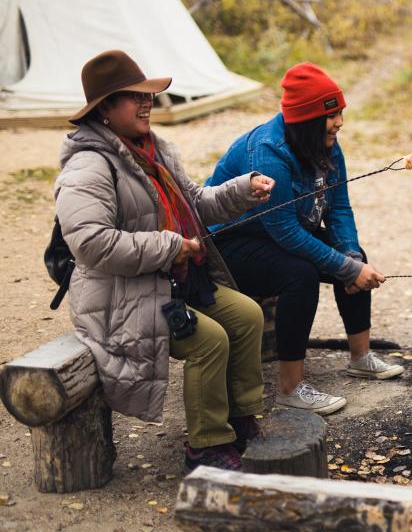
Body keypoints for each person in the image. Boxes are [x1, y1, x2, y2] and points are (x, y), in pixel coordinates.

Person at [55, 50, 275, 472]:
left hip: (171, 284)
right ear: (104, 109)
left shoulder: (155, 151)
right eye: (133, 97)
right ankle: (205, 447)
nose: (146, 104)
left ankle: (239, 417)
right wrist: (170, 246)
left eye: (149, 96)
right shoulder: (88, 166)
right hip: (120, 298)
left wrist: (244, 189)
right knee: (209, 340)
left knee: (246, 315)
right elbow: (91, 244)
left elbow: (196, 203)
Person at [207, 62, 403, 416]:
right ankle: (290, 387)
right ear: (306, 120)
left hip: (275, 235)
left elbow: (339, 206)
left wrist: (350, 256)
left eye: (340, 113)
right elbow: (285, 231)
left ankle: (360, 356)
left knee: (354, 256)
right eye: (331, 116)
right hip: (230, 243)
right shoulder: (269, 152)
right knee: (300, 273)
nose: (339, 122)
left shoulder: (326, 145)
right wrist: (344, 268)